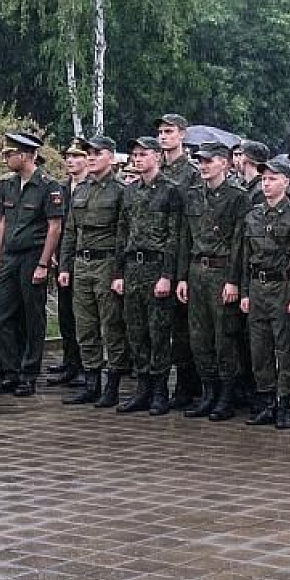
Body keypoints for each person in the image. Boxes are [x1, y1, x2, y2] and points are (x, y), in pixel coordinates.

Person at [0, 133, 65, 397]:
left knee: (33, 317)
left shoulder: (48, 185)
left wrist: (43, 264)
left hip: (33, 255)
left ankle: (28, 373)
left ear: (26, 155)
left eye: (10, 154)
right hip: (9, 256)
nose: (5, 158)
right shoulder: (8, 185)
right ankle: (10, 370)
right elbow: (1, 221)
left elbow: (54, 228)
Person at [176, 142, 249, 420]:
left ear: (225, 163)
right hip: (196, 271)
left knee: (224, 336)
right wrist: (182, 276)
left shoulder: (237, 197)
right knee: (199, 336)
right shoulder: (192, 195)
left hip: (221, 272)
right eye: (200, 161)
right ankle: (208, 391)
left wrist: (233, 281)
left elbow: (239, 243)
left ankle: (226, 395)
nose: (203, 165)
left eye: (209, 161)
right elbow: (185, 238)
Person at [237, 156, 290, 428]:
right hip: (257, 286)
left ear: (286, 182)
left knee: (286, 347)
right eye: (264, 179)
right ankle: (265, 400)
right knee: (259, 348)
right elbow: (245, 258)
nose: (266, 184)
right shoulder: (252, 217)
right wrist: (245, 291)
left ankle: (285, 402)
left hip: (284, 286)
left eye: (273, 179)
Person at [113, 137, 183, 416]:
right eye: (134, 155)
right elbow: (122, 234)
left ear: (157, 156)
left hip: (156, 267)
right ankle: (142, 388)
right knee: (135, 329)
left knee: (158, 331)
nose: (137, 159)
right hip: (132, 267)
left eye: (143, 154)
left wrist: (167, 276)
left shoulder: (171, 191)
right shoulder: (129, 192)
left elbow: (174, 237)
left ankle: (159, 390)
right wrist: (118, 272)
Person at [59, 136, 130, 406]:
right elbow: (70, 231)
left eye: (97, 153)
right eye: (88, 152)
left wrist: (118, 272)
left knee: (111, 325)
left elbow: (124, 234)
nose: (90, 157)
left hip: (107, 263)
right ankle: (91, 382)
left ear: (111, 158)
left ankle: (112, 384)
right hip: (81, 263)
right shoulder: (80, 190)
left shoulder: (120, 191)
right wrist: (65, 265)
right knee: (85, 326)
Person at [155, 114, 204, 412]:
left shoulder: (192, 173)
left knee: (185, 330)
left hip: (182, 253)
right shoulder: (156, 169)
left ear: (182, 135)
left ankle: (188, 386)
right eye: (160, 132)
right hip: (156, 256)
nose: (163, 137)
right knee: (163, 327)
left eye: (169, 131)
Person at [49, 139, 89, 387]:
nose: (70, 161)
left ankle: (86, 364)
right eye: (68, 156)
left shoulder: (90, 187)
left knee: (83, 316)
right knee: (65, 313)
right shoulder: (61, 189)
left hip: (85, 257)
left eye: (76, 156)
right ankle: (69, 360)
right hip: (64, 256)